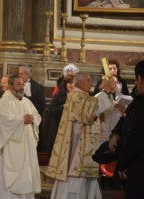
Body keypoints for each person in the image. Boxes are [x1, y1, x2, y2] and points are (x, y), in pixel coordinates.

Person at [46, 72, 114, 199]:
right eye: (88, 80)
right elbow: (92, 109)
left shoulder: (83, 97)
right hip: (76, 153)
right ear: (79, 83)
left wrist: (106, 92)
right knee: (75, 188)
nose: (91, 83)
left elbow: (94, 106)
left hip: (83, 151)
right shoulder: (76, 96)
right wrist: (105, 92)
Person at [0, 74, 41, 199]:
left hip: (27, 147)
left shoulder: (27, 102)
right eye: (18, 84)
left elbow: (37, 116)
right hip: (10, 148)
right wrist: (21, 120)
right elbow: (2, 122)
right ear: (10, 86)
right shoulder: (4, 102)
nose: (21, 88)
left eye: (22, 85)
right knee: (9, 180)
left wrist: (33, 120)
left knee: (26, 175)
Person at [113, 60, 144, 199]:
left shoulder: (141, 104)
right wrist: (116, 133)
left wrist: (121, 164)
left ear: (139, 79)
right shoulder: (138, 100)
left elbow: (136, 140)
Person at [18, 65, 46, 152]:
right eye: (19, 74)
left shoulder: (37, 87)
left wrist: (33, 116)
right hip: (20, 118)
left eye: (21, 74)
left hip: (32, 118)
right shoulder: (16, 86)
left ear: (28, 75)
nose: (20, 76)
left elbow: (41, 104)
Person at [46, 73, 75, 156]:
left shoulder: (80, 96)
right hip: (59, 127)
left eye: (73, 83)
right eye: (69, 83)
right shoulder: (58, 95)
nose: (71, 85)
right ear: (65, 84)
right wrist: (64, 106)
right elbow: (52, 111)